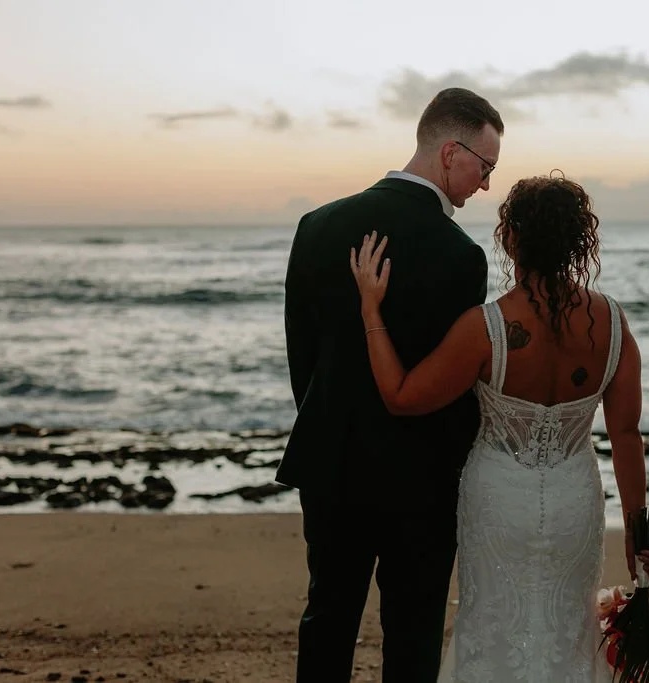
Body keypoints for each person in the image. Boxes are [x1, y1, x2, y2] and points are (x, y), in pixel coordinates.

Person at [349, 174, 649, 681]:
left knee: (490, 627)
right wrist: (636, 528)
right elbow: (626, 435)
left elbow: (401, 397)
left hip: (496, 501)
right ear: (579, 240)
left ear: (510, 237)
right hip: (575, 500)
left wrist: (370, 309)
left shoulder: (485, 328)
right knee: (570, 628)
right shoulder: (612, 323)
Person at [276, 88, 504, 682]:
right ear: (451, 152)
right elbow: (453, 384)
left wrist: (331, 424)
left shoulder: (318, 226)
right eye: (485, 167)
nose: (484, 185)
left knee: (328, 618)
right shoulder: (460, 256)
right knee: (414, 628)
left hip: (332, 464)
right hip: (421, 479)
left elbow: (304, 358)